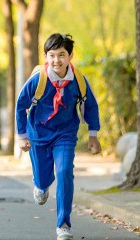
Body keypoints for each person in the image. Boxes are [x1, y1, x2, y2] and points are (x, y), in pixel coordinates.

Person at [15, 33, 101, 240]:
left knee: (64, 172)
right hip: (38, 134)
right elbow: (20, 105)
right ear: (46, 57)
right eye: (52, 55)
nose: (56, 60)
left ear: (70, 56)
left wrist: (93, 135)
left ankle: (63, 224)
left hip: (65, 133)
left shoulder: (78, 80)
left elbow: (91, 106)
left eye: (61, 55)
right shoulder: (39, 79)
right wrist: (21, 135)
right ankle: (41, 185)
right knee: (43, 178)